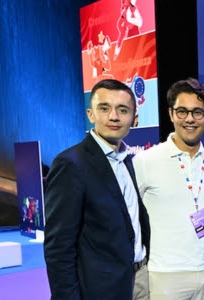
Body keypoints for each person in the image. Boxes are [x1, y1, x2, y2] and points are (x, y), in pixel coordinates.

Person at [44, 79, 150, 299]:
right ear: (91, 114)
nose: (114, 116)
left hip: (141, 280)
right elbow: (58, 247)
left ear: (134, 118)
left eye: (123, 110)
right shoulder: (71, 164)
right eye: (104, 108)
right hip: (100, 290)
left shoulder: (131, 162)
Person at [133, 78, 204, 299]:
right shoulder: (145, 161)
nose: (189, 119)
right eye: (182, 111)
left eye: (197, 112)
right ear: (171, 114)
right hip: (166, 275)